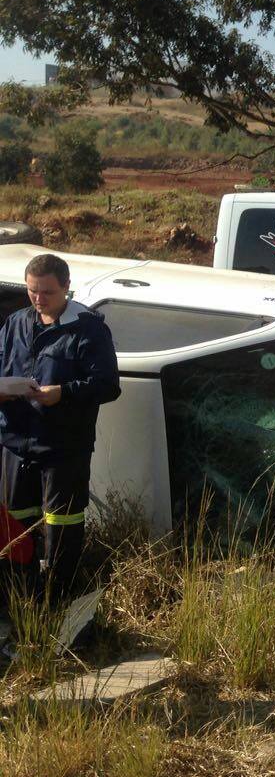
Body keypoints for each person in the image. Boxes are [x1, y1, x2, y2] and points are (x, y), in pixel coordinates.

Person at [0, 253, 120, 606]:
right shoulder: (16, 323)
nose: (38, 300)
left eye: (47, 293)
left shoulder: (89, 328)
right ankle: (16, 600)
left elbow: (107, 385)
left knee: (60, 526)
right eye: (32, 291)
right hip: (14, 442)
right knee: (14, 525)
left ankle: (55, 600)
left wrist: (63, 394)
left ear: (67, 287)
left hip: (63, 448)